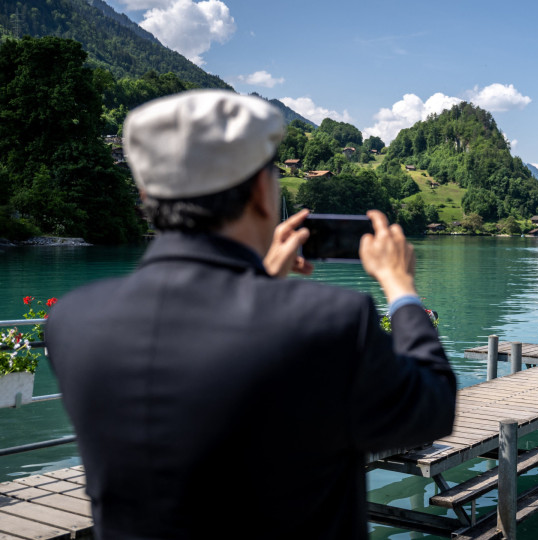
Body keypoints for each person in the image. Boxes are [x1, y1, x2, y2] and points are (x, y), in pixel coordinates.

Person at [44, 90, 457, 539]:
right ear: (262, 192)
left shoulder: (72, 321)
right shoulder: (335, 321)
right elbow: (431, 407)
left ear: (146, 194)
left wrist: (261, 281)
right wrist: (400, 287)